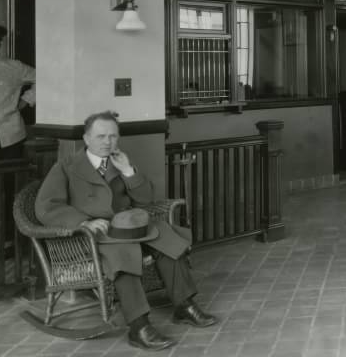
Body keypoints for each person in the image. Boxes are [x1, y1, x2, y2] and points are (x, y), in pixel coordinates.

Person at [35, 111, 217, 351]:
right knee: (124, 256)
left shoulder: (119, 161)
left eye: (112, 136)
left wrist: (129, 171)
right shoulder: (66, 166)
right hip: (93, 235)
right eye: (100, 136)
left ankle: (184, 305)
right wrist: (82, 222)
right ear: (86, 138)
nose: (107, 142)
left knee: (168, 239)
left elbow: (145, 201)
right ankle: (138, 326)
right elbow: (47, 206)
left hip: (129, 226)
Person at [0, 23, 36, 256]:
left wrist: (25, 102)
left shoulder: (14, 67)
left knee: (12, 188)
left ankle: (10, 240)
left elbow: (46, 79)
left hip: (11, 136)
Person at [0, 23, 36, 160]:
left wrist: (27, 100)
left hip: (12, 135)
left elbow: (42, 79)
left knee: (11, 178)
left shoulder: (14, 67)